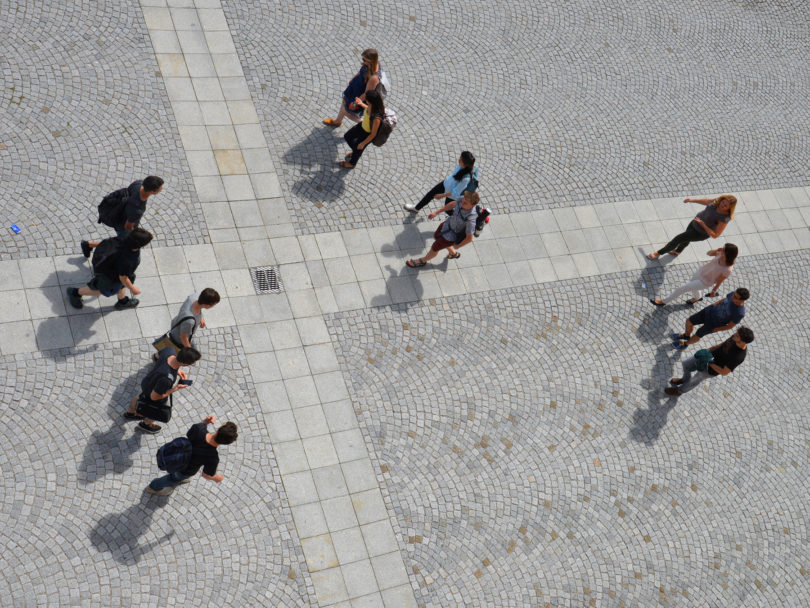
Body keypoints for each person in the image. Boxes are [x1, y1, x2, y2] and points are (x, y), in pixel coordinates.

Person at [146, 416, 238, 495]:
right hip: (186, 471)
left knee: (174, 476)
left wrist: (206, 422)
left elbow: (191, 432)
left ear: (219, 429)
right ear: (225, 443)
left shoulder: (199, 429)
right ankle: (153, 487)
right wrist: (216, 478)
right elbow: (205, 475)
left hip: (177, 456)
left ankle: (159, 485)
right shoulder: (213, 458)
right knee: (172, 478)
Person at [66, 227, 153, 310]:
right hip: (109, 275)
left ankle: (122, 301)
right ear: (141, 245)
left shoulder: (122, 239)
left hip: (105, 264)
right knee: (102, 290)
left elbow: (104, 243)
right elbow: (123, 278)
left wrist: (90, 245)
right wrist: (133, 289)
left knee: (124, 283)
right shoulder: (128, 259)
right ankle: (75, 293)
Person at [124, 346, 202, 434]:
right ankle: (146, 424)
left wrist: (177, 370)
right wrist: (175, 388)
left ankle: (130, 413)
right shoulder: (166, 379)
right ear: (185, 364)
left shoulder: (170, 350)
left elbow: (156, 356)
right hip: (153, 391)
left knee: (139, 396)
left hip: (147, 382)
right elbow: (154, 397)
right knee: (156, 410)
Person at [81, 176, 164, 257]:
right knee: (120, 243)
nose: (162, 189)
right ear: (152, 191)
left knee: (119, 242)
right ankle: (88, 245)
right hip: (122, 225)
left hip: (121, 213)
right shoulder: (136, 209)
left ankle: (89, 245)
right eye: (160, 188)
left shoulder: (138, 184)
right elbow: (127, 226)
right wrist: (136, 233)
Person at [665, 326, 754, 397]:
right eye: (736, 333)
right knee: (686, 363)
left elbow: (724, 372)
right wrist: (709, 350)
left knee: (695, 379)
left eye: (737, 335)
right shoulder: (734, 338)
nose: (734, 335)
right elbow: (723, 344)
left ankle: (679, 391)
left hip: (711, 370)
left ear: (743, 341)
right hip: (707, 356)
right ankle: (684, 379)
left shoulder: (738, 356)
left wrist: (710, 363)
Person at [647, 194, 736, 259]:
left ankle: (658, 253)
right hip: (695, 222)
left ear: (730, 208)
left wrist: (703, 225)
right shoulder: (717, 202)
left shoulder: (724, 218)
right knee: (686, 238)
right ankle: (677, 251)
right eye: (723, 202)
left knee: (678, 239)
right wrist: (692, 200)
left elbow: (715, 235)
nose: (722, 205)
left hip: (700, 233)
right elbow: (707, 201)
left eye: (725, 205)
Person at [649, 243, 737, 307]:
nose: (722, 249)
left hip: (705, 282)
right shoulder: (720, 254)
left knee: (681, 288)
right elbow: (708, 253)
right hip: (700, 272)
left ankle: (663, 301)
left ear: (728, 253)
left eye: (724, 249)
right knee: (693, 287)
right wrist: (717, 250)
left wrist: (713, 291)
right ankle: (698, 297)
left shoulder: (728, 269)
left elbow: (720, 281)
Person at [406, 191, 480, 267]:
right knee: (436, 236)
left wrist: (458, 246)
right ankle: (453, 253)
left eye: (465, 203)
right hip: (447, 225)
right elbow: (453, 204)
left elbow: (469, 238)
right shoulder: (463, 199)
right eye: (463, 200)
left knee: (435, 247)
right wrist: (437, 212)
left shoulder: (471, 220)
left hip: (450, 237)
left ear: (472, 205)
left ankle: (421, 261)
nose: (462, 202)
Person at [672, 288, 749, 349]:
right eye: (734, 294)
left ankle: (685, 344)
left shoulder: (739, 313)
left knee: (698, 335)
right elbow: (725, 298)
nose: (732, 296)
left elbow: (730, 326)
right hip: (709, 311)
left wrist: (717, 329)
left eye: (735, 297)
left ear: (742, 300)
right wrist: (714, 304)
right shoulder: (733, 294)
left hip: (713, 324)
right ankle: (686, 335)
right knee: (689, 321)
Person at [323, 49, 382, 127]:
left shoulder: (374, 77)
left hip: (359, 95)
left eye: (364, 59)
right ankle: (338, 121)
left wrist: (355, 103)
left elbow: (366, 94)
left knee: (347, 111)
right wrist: (354, 78)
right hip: (355, 88)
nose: (363, 61)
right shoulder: (370, 64)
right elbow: (362, 70)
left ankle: (367, 124)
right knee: (344, 101)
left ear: (370, 60)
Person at [152, 288, 221, 355]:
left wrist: (200, 319)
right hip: (178, 336)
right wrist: (189, 350)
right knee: (173, 350)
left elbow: (196, 310)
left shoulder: (194, 297)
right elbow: (183, 338)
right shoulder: (189, 322)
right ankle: (157, 356)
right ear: (207, 305)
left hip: (177, 322)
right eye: (214, 304)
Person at [404, 151, 476, 214]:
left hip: (451, 194)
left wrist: (442, 195)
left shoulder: (466, 178)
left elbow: (456, 192)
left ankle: (461, 219)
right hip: (446, 184)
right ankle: (416, 208)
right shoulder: (462, 167)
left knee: (448, 210)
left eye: (461, 159)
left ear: (465, 164)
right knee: (430, 194)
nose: (459, 160)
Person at [339, 89, 384, 169]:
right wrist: (361, 103)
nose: (365, 99)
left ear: (370, 101)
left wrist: (363, 143)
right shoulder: (371, 106)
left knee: (359, 146)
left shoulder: (377, 117)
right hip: (362, 126)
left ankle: (352, 164)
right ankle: (356, 152)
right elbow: (367, 108)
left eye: (366, 99)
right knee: (347, 136)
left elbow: (373, 134)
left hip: (367, 133)